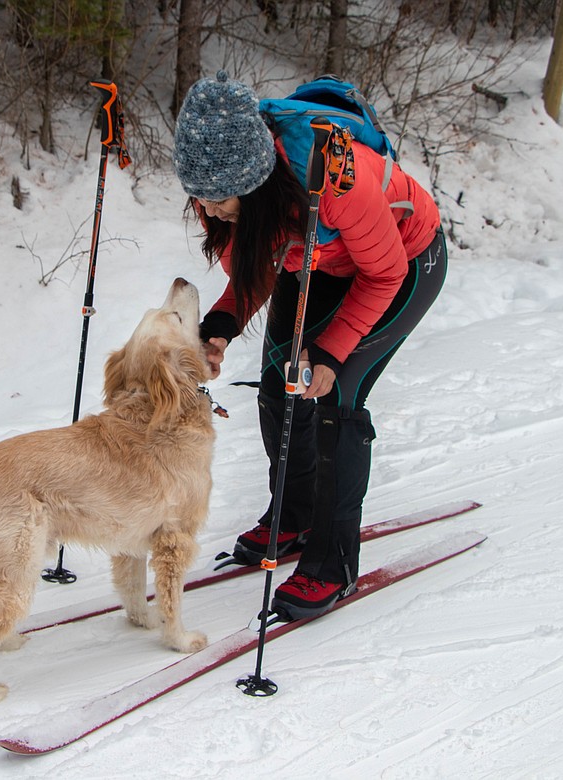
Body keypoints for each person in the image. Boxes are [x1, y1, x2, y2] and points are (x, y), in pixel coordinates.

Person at [173, 72, 448, 619]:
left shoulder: (333, 180)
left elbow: (384, 274)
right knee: (278, 385)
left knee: (333, 397)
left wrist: (329, 353)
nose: (211, 212)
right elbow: (256, 266)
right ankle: (293, 516)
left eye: (221, 201)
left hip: (401, 264)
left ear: (256, 183)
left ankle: (332, 562)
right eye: (199, 199)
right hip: (320, 261)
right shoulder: (225, 195)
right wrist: (220, 325)